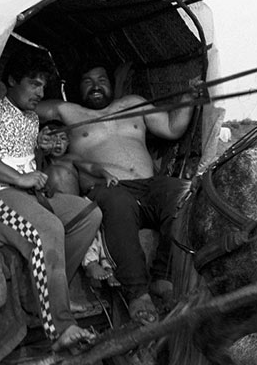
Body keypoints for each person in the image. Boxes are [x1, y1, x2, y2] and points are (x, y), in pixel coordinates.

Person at [36, 60, 199, 325]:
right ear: (78, 88)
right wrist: (1, 89)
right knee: (118, 201)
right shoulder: (68, 111)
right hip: (107, 188)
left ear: (112, 84)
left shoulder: (133, 103)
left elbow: (173, 128)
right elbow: (27, 107)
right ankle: (137, 294)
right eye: (88, 81)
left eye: (101, 79)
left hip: (150, 185)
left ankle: (163, 276)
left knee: (182, 193)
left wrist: (189, 97)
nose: (96, 86)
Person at [0, 52, 101, 352]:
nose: (40, 92)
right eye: (34, 84)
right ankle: (61, 328)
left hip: (25, 198)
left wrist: (39, 164)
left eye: (43, 86)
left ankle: (37, 296)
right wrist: (20, 178)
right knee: (49, 228)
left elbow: (23, 158)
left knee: (88, 213)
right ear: (11, 80)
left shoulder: (33, 118)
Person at [38, 120, 120, 287]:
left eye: (62, 138)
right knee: (83, 229)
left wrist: (105, 174)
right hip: (56, 209)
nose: (58, 143)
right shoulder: (40, 162)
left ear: (69, 142)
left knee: (97, 225)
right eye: (53, 139)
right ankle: (90, 263)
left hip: (78, 205)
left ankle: (107, 266)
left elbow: (90, 166)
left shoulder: (71, 158)